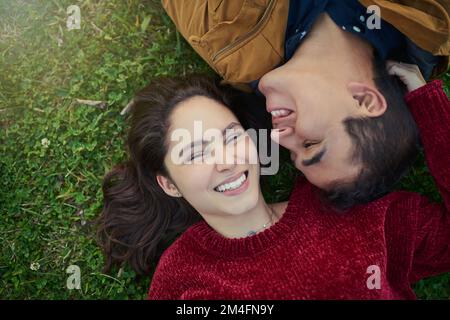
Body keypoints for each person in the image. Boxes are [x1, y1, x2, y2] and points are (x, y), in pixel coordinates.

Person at [97, 64, 449, 299]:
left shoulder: (343, 203)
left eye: (231, 137)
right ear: (169, 184)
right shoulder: (183, 279)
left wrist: (428, 105)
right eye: (195, 153)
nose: (227, 161)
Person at [161, 0, 450, 209]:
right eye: (310, 144)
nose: (278, 137)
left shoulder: (229, 42)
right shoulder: (433, 17)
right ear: (365, 100)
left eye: (293, 154)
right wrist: (429, 108)